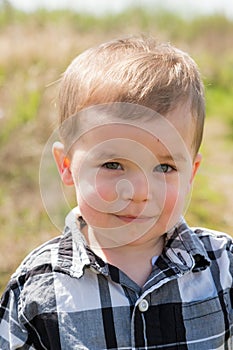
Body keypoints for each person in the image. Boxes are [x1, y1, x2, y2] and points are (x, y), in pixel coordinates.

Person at [0, 35, 232, 350]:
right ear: (67, 166)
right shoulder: (37, 288)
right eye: (113, 164)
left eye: (164, 168)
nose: (138, 192)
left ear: (191, 173)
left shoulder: (223, 267)